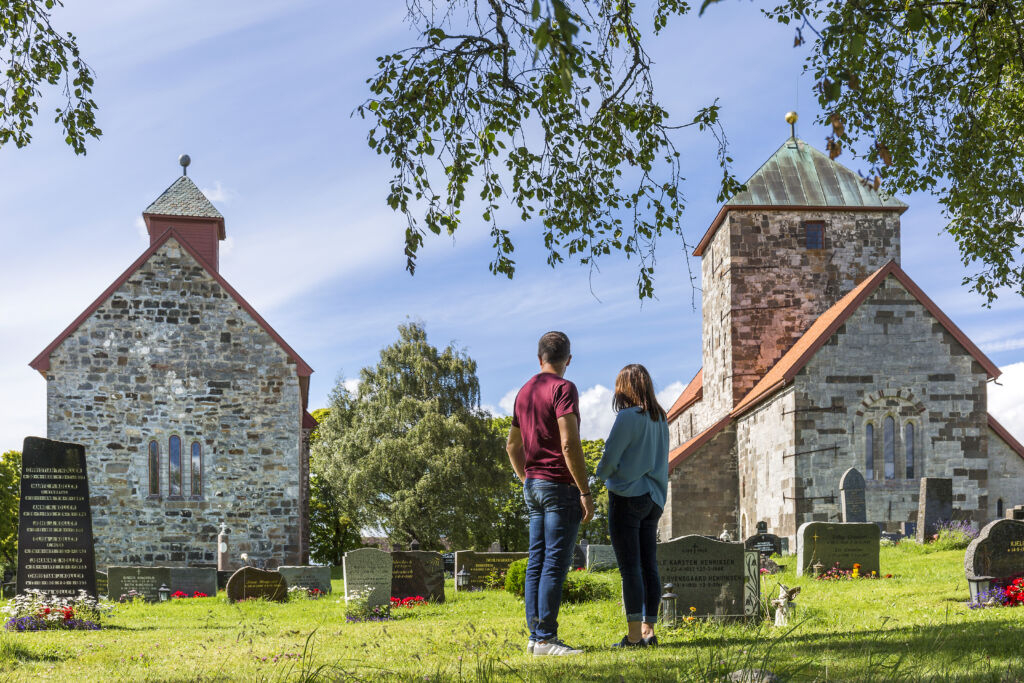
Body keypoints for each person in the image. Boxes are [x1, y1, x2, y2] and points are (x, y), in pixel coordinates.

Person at [506, 331, 595, 656]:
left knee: (537, 560)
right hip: (559, 485)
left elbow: (512, 446)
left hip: (534, 486)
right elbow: (569, 443)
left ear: (539, 357)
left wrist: (527, 478)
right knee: (555, 561)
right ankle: (545, 638)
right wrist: (585, 491)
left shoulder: (524, 392)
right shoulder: (563, 388)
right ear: (568, 359)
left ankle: (536, 637)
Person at [596, 364, 669, 648]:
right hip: (654, 499)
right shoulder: (660, 417)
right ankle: (649, 630)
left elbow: (610, 458)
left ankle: (634, 636)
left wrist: (594, 478)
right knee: (649, 565)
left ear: (624, 387)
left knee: (630, 569)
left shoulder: (627, 417)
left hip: (627, 497)